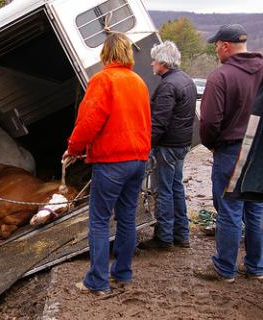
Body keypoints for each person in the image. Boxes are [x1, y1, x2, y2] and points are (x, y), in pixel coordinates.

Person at [63, 32, 151, 294]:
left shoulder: (103, 80)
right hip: (138, 159)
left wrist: (73, 149)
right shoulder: (139, 82)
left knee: (99, 221)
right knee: (126, 218)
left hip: (113, 161)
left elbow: (89, 121)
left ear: (105, 53)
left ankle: (97, 281)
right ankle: (122, 273)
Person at [197, 24, 263, 282]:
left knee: (230, 209)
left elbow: (210, 122)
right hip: (259, 151)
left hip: (232, 150)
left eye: (216, 45)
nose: (215, 49)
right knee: (256, 208)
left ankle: (225, 268)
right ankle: (256, 267)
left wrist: (211, 144)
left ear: (225, 46)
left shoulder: (221, 76)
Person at [138, 41, 196, 250]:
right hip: (181, 145)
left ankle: (164, 238)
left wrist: (145, 145)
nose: (152, 63)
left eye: (154, 60)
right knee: (176, 188)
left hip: (167, 147)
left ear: (163, 62)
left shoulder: (168, 86)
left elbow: (159, 122)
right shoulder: (186, 80)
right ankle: (182, 234)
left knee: (163, 191)